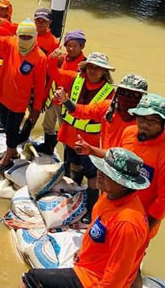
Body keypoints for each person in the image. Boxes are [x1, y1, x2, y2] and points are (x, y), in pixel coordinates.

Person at [20, 147, 150, 288]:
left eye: (108, 174)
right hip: (89, 267)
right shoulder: (109, 196)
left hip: (94, 280)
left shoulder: (127, 223)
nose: (100, 174)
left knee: (32, 278)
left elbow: (116, 278)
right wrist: (82, 250)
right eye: (101, 168)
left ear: (124, 185)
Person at [48, 51, 115, 221]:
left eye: (98, 68)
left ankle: (91, 208)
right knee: (74, 166)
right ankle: (74, 192)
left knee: (93, 176)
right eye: (91, 67)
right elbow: (53, 72)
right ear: (85, 68)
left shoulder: (110, 93)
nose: (93, 71)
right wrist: (53, 58)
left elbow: (91, 113)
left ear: (104, 72)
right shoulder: (75, 79)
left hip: (90, 141)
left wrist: (66, 100)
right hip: (70, 135)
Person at [0, 16, 47, 172]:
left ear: (34, 37)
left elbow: (40, 86)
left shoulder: (40, 57)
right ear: (17, 35)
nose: (24, 40)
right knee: (4, 123)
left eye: (28, 37)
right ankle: (13, 151)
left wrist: (35, 110)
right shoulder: (11, 42)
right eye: (22, 36)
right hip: (3, 94)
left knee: (11, 128)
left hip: (19, 101)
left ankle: (7, 159)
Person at [120, 93, 165, 239]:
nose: (145, 124)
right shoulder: (128, 133)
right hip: (113, 208)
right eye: (142, 118)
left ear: (164, 124)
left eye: (153, 120)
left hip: (138, 220)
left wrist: (144, 230)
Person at [56, 74, 148, 154]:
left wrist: (92, 150)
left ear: (141, 98)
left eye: (132, 95)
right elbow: (82, 111)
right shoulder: (108, 107)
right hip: (103, 159)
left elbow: (127, 157)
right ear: (118, 92)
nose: (126, 97)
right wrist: (65, 100)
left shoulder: (144, 123)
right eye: (123, 92)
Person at [35, 29, 87, 154]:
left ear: (82, 46)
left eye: (74, 46)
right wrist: (44, 98)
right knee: (47, 125)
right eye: (68, 45)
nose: (70, 49)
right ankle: (48, 147)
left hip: (69, 105)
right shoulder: (61, 59)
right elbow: (51, 76)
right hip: (54, 99)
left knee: (67, 132)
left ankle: (68, 157)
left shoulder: (85, 65)